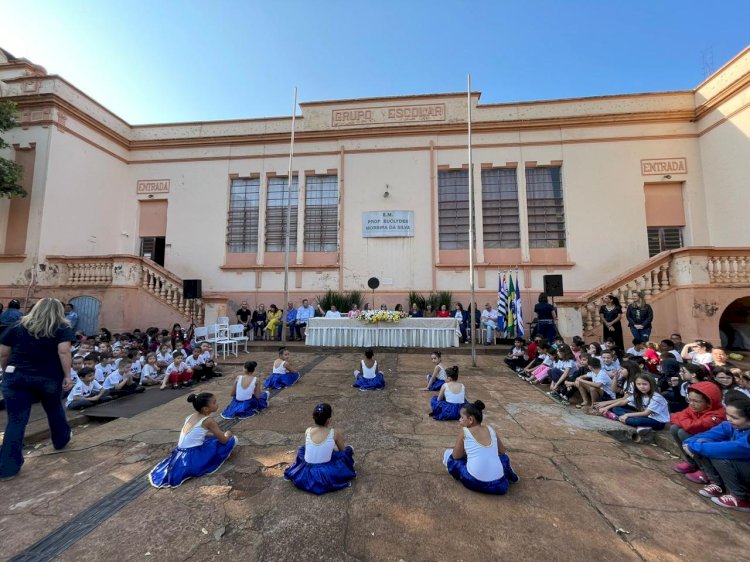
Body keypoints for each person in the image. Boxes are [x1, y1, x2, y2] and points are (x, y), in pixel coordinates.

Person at [0, 298, 74, 480]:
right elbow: (63, 351)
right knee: (54, 408)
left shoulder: (17, 326)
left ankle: (7, 468)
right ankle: (61, 439)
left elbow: (3, 352)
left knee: (16, 421)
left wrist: (5, 371)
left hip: (16, 376)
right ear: (58, 311)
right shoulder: (62, 328)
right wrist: (68, 376)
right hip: (48, 377)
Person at [148, 392, 237, 488]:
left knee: (211, 439)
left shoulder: (191, 416)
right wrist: (227, 434)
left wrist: (216, 435)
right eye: (214, 402)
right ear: (206, 409)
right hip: (192, 456)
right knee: (232, 440)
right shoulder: (209, 421)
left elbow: (198, 434)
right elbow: (224, 440)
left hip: (179, 452)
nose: (217, 404)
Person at [682, 391, 750, 512]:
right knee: (703, 442)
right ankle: (717, 484)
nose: (729, 419)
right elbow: (705, 435)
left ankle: (741, 498)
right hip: (742, 468)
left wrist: (694, 446)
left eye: (734, 417)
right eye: (728, 415)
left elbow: (730, 448)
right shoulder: (729, 424)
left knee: (717, 453)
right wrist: (690, 443)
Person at [442, 400, 519, 494]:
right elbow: (502, 451)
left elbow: (456, 457)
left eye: (462, 417)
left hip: (474, 481)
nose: (459, 420)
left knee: (450, 457)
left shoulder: (465, 432)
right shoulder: (490, 429)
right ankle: (507, 473)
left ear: (470, 420)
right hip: (500, 485)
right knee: (504, 458)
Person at [283, 403, 356, 495]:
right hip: (325, 472)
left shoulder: (308, 430)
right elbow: (342, 451)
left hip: (306, 471)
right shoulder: (334, 433)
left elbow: (310, 448)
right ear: (329, 419)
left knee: (302, 449)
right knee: (348, 451)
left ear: (314, 418)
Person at [670, 381, 726, 478]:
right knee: (674, 428)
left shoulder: (717, 415)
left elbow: (693, 426)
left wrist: (684, 421)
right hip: (698, 438)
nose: (691, 404)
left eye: (696, 401)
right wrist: (685, 421)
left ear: (709, 402)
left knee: (683, 432)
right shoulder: (695, 407)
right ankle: (692, 463)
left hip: (712, 444)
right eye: (689, 400)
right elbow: (674, 417)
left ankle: (705, 471)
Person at [601, 372, 670, 436]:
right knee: (616, 408)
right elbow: (623, 402)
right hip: (646, 417)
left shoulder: (656, 397)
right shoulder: (639, 394)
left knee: (635, 421)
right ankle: (636, 424)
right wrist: (607, 407)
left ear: (651, 384)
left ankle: (617, 417)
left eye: (645, 384)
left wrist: (627, 415)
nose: (641, 387)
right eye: (638, 384)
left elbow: (646, 413)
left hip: (658, 421)